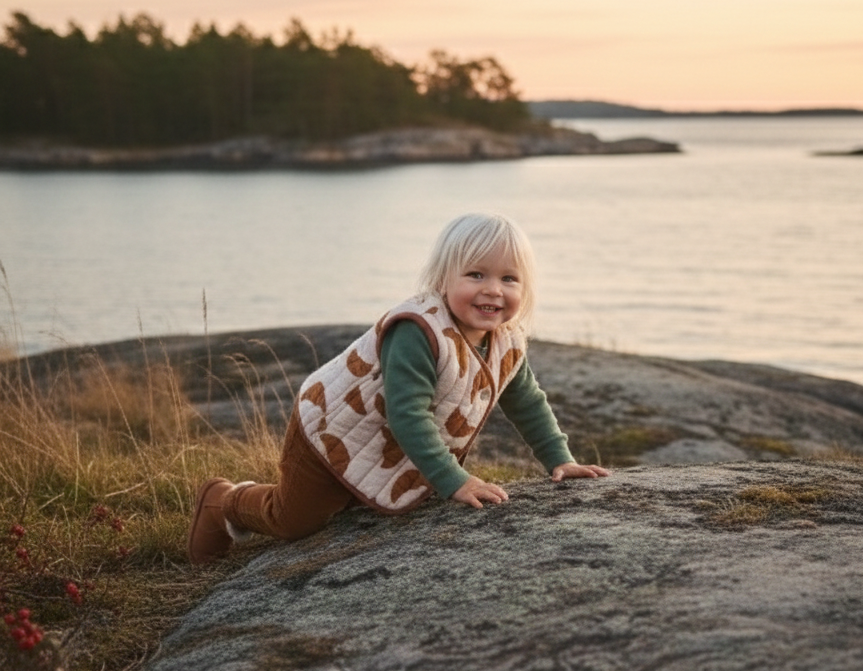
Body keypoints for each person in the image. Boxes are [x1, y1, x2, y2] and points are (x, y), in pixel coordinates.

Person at [188, 213, 609, 565]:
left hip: (383, 443)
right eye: (476, 274)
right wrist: (454, 480)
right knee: (294, 520)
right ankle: (223, 501)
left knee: (350, 507)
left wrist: (560, 458)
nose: (493, 290)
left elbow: (526, 401)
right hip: (333, 427)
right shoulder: (418, 331)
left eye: (509, 279)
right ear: (443, 279)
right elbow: (406, 414)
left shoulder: (506, 340)